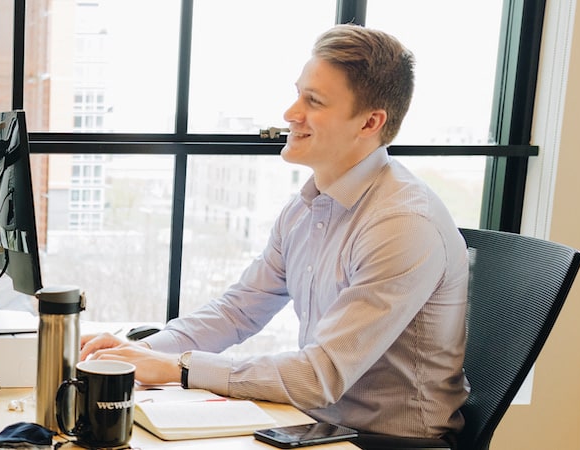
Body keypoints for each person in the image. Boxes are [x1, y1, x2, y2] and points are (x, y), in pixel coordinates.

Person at [79, 24, 468, 443]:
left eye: (313, 101)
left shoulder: (402, 225)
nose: (290, 113)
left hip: (386, 442)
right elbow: (239, 310)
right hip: (315, 422)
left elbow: (319, 376)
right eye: (299, 93)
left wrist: (181, 367)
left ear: (370, 122)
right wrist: (144, 352)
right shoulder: (308, 206)